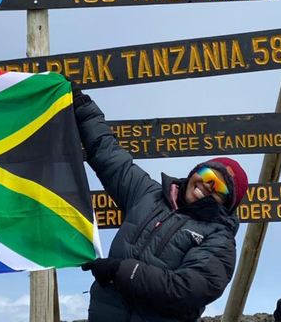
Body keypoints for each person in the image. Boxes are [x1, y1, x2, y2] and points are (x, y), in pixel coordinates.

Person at [72, 83, 248, 322]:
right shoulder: (148, 193)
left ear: (227, 203)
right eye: (207, 175)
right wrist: (84, 108)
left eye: (220, 187)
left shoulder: (220, 240)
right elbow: (109, 156)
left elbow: (188, 290)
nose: (208, 185)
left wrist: (120, 271)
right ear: (195, 171)